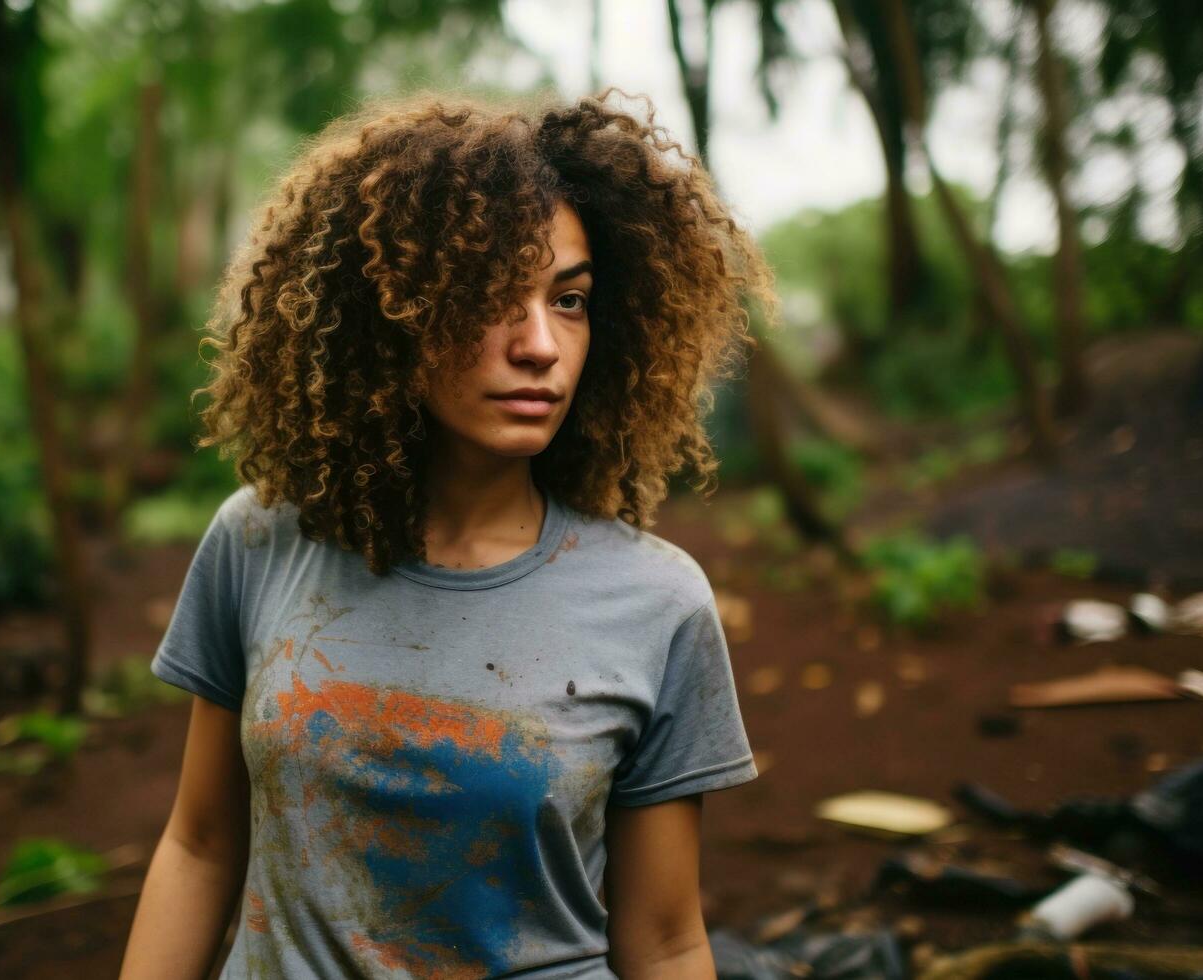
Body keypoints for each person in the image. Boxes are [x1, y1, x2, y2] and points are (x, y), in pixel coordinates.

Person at [119, 89, 775, 980]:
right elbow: (199, 847)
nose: (541, 344)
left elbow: (662, 940)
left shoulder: (655, 603)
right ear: (390, 309)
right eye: (492, 295)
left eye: (570, 299)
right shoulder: (261, 543)